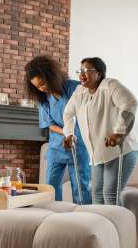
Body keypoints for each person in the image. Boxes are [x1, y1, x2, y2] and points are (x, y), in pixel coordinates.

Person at [63, 57, 138, 205]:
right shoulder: (80, 92)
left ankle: (120, 227)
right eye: (80, 71)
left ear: (99, 73)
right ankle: (102, 227)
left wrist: (119, 132)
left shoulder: (110, 85)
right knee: (97, 194)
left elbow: (130, 103)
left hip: (122, 150)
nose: (81, 74)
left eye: (86, 70)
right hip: (98, 154)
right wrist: (69, 134)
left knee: (110, 194)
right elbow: (68, 113)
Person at [24, 55, 91, 204]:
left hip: (78, 145)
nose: (42, 89)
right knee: (50, 186)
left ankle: (84, 218)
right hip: (56, 145)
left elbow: (86, 117)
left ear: (51, 75)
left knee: (80, 186)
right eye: (37, 87)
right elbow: (50, 125)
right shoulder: (44, 99)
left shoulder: (75, 88)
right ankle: (54, 217)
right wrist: (66, 132)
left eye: (43, 83)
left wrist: (71, 133)